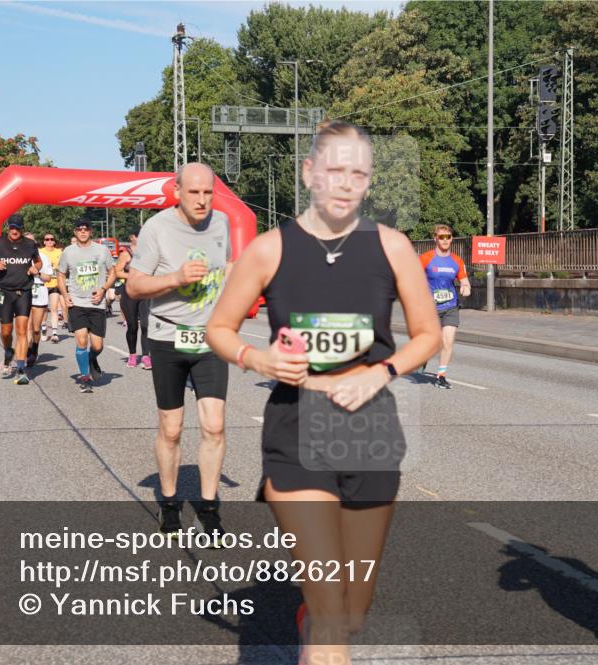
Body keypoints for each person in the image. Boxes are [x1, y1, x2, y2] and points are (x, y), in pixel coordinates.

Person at [206, 122, 441, 664]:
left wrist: (380, 372)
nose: (345, 183)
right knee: (334, 613)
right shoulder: (268, 250)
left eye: (357, 173)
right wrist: (256, 357)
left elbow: (428, 335)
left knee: (351, 610)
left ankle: (314, 616)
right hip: (296, 430)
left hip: (372, 430)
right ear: (309, 172)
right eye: (335, 170)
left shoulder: (393, 246)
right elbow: (220, 328)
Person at [126, 163, 234, 541]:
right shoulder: (157, 228)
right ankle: (169, 503)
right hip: (168, 337)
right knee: (171, 430)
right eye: (194, 192)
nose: (202, 200)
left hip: (210, 339)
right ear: (177, 192)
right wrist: (175, 278)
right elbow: (134, 288)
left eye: (208, 192)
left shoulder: (221, 224)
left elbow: (228, 269)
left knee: (214, 425)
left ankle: (209, 508)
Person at [0, 216, 42, 385]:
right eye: (12, 228)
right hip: (4, 291)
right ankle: (8, 350)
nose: (15, 231)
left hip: (24, 291)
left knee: (22, 331)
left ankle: (21, 369)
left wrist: (35, 268)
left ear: (22, 228)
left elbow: (38, 262)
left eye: (18, 228)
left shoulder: (29, 244)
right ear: (8, 227)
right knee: (6, 331)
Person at [57, 220, 116, 394]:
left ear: (90, 232)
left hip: (96, 303)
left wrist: (104, 289)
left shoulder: (102, 250)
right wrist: (65, 295)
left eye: (86, 229)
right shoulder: (68, 251)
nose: (82, 232)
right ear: (75, 232)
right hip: (77, 302)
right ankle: (85, 377)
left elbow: (113, 272)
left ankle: (91, 360)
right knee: (82, 340)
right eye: (79, 230)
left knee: (97, 346)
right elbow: (60, 275)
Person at [419, 224, 470, 388]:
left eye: (448, 237)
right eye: (441, 237)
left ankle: (441, 376)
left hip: (450, 306)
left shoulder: (457, 261)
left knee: (448, 341)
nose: (445, 240)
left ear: (451, 239)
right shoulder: (425, 258)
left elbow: (465, 281)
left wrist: (465, 288)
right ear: (435, 238)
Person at [115, 232, 151, 369]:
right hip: (129, 292)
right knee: (133, 326)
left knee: (146, 325)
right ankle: (132, 355)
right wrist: (132, 274)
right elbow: (117, 272)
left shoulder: (149, 252)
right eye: (139, 235)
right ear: (132, 237)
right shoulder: (126, 254)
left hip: (145, 291)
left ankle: (146, 356)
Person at [24, 232, 54, 368]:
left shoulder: (43, 257)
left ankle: (34, 348)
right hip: (24, 292)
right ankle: (27, 352)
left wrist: (38, 273)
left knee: (36, 329)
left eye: (31, 242)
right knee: (26, 327)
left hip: (39, 291)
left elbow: (48, 278)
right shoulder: (19, 257)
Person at [40, 233, 66, 342]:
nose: (50, 241)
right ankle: (44, 327)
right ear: (44, 241)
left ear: (54, 241)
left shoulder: (59, 252)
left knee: (54, 308)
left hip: (55, 283)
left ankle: (55, 333)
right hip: (43, 283)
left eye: (52, 239)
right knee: (44, 309)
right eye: (47, 239)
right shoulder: (40, 252)